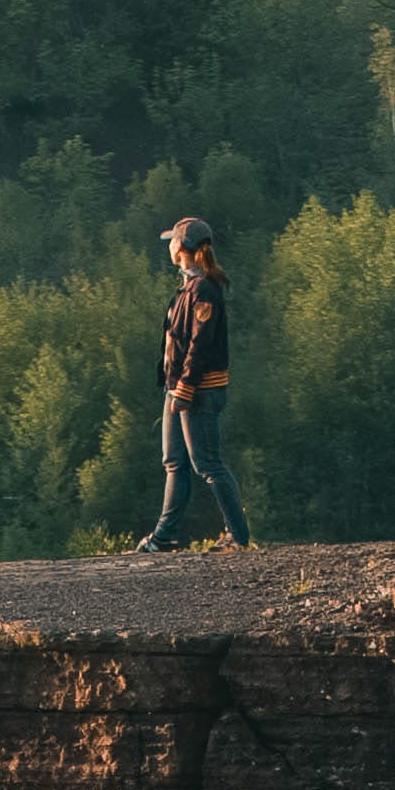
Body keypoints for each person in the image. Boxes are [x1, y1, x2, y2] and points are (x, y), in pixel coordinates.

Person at [135, 216, 251, 551]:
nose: (169, 245)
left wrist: (184, 389)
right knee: (175, 462)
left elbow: (199, 345)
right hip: (179, 388)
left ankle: (238, 536)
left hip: (199, 390)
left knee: (208, 464)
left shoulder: (204, 290)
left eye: (173, 240)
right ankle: (164, 536)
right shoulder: (190, 287)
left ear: (182, 247)